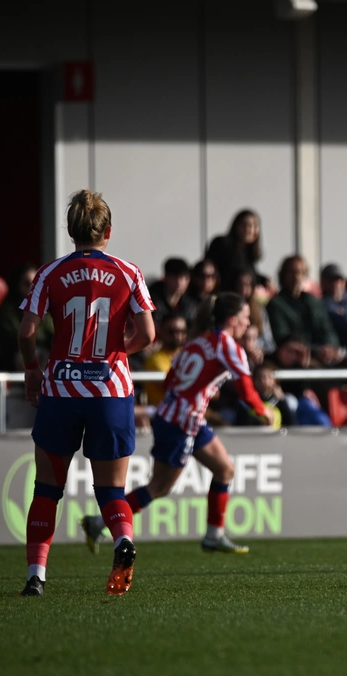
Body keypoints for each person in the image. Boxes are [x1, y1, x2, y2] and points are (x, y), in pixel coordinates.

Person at [17, 189, 156, 597]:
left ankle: (36, 576)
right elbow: (148, 334)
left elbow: (26, 331)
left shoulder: (50, 273)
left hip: (61, 389)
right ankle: (122, 540)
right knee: (111, 490)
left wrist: (32, 370)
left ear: (70, 230)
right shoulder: (129, 272)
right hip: (110, 390)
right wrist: (116, 350)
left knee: (47, 488)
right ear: (108, 231)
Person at [81, 293, 274, 554]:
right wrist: (264, 412)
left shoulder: (198, 341)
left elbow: (169, 380)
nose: (248, 323)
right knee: (158, 488)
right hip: (181, 423)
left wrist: (197, 389)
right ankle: (98, 522)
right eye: (246, 317)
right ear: (232, 320)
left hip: (181, 418)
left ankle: (214, 535)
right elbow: (246, 391)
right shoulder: (229, 346)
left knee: (225, 470)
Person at [0, 263, 54, 371]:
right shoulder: (8, 308)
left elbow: (52, 331)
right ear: (17, 286)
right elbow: (20, 336)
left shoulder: (43, 306)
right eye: (26, 284)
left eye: (35, 284)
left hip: (42, 350)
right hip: (13, 356)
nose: (31, 288)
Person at [204, 209, 268, 292]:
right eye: (245, 225)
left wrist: (265, 281)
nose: (250, 230)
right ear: (236, 226)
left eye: (254, 226)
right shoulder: (222, 244)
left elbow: (251, 275)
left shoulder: (248, 252)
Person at [142, 314, 189, 409]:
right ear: (161, 331)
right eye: (171, 331)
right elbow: (174, 387)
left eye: (182, 331)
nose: (178, 336)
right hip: (163, 411)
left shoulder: (189, 354)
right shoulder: (155, 359)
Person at [148, 257, 200, 328]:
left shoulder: (191, 304)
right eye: (175, 277)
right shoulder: (151, 300)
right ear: (165, 277)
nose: (179, 282)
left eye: (184, 278)